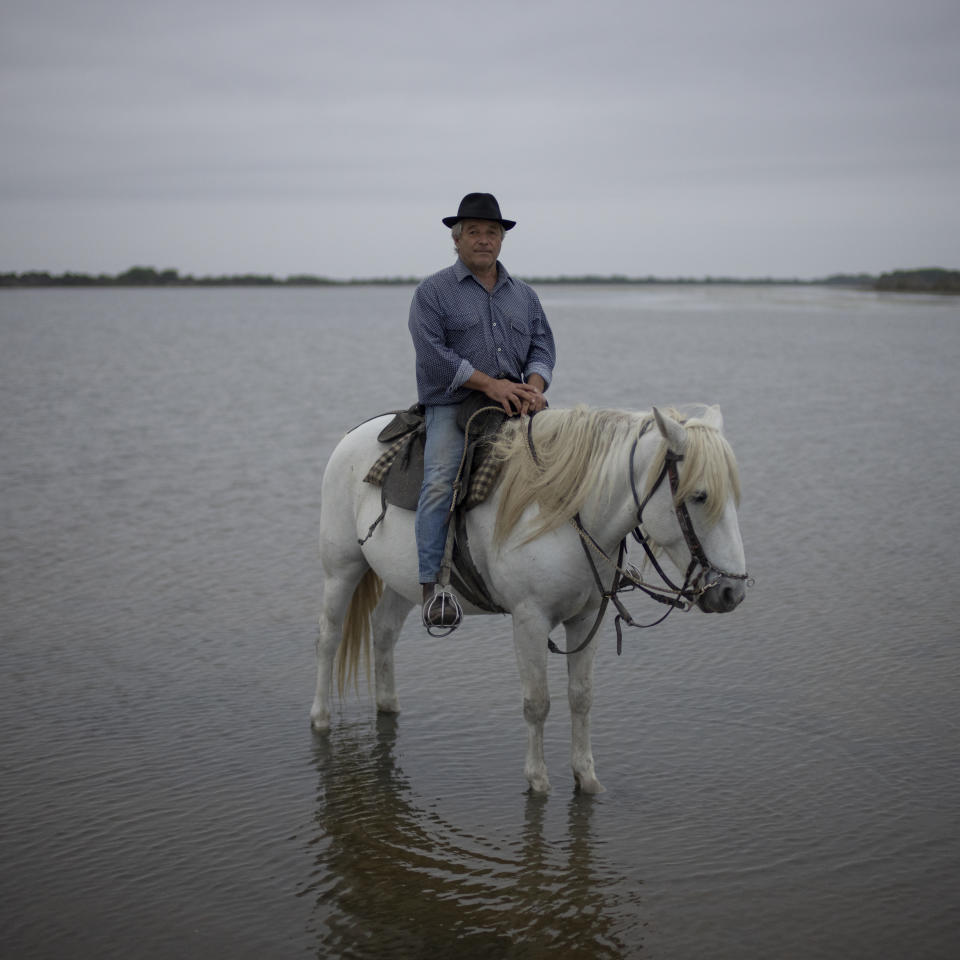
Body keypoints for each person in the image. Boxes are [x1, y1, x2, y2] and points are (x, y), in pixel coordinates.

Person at [408, 192, 557, 630]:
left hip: (518, 400)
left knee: (571, 466)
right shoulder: (432, 293)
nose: (483, 240)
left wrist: (534, 386)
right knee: (439, 482)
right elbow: (433, 354)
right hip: (453, 404)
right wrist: (489, 384)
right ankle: (432, 588)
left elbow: (542, 344)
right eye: (473, 231)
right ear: (456, 239)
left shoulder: (524, 296)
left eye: (492, 232)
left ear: (501, 240)